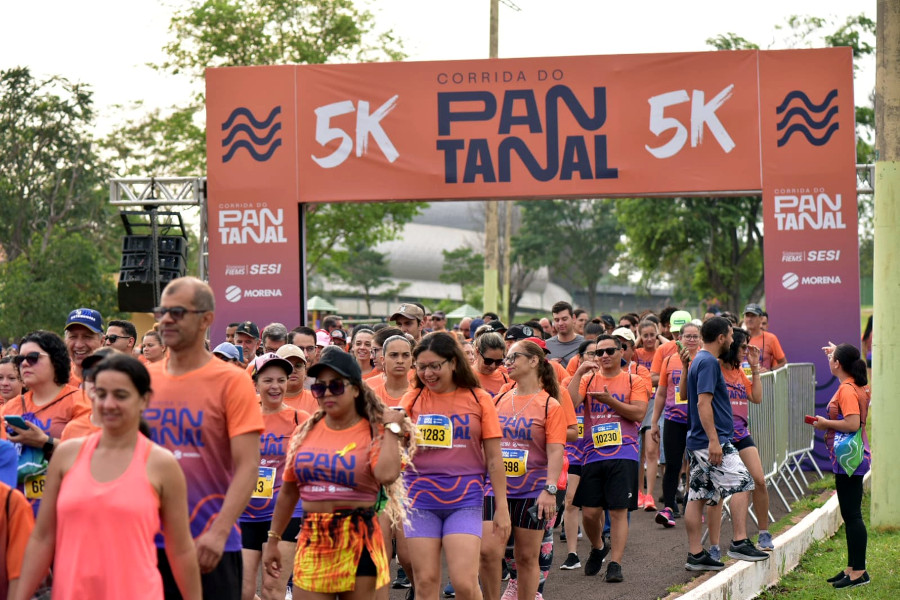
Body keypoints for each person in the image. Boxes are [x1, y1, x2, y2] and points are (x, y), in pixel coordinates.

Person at [13, 354, 202, 600]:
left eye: (120, 395)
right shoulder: (67, 454)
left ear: (144, 400)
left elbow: (181, 550)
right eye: (101, 394)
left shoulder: (161, 464)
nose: (108, 404)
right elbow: (43, 537)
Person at [145, 277, 264, 600]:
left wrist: (220, 530)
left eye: (178, 312)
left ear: (206, 320)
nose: (166, 319)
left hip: (210, 543)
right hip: (146, 541)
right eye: (162, 311)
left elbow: (248, 466)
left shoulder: (232, 381)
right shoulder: (143, 379)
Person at [262, 349, 412, 598]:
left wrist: (393, 428)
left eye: (336, 386)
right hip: (313, 540)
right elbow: (289, 491)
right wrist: (274, 539)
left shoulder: (373, 430)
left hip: (360, 539)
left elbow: (387, 474)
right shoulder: (305, 431)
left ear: (355, 389)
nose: (327, 393)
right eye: (320, 388)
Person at [401, 332, 510, 600]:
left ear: (453, 363)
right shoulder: (412, 399)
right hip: (419, 500)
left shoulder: (479, 398)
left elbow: (495, 458)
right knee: (425, 583)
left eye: (434, 365)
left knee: (463, 582)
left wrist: (502, 508)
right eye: (422, 366)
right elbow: (395, 448)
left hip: (465, 500)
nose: (428, 373)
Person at [479, 340, 565, 600]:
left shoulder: (551, 405)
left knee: (526, 557)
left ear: (534, 361)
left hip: (532, 491)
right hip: (495, 488)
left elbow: (555, 451)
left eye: (514, 357)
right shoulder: (500, 399)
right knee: (487, 553)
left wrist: (550, 490)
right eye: (508, 358)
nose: (508, 363)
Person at [683, 317, 767, 571]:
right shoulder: (708, 362)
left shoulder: (698, 358)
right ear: (721, 337)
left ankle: (696, 554)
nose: (732, 340)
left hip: (699, 440)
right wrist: (714, 441)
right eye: (730, 335)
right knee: (745, 482)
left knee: (697, 496)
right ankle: (740, 541)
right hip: (712, 440)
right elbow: (702, 403)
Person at [567, 335, 649, 582]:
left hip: (624, 452)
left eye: (609, 351)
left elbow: (638, 412)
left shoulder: (634, 380)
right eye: (598, 353)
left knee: (618, 511)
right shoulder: (589, 379)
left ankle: (615, 563)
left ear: (621, 352)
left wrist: (610, 401)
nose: (603, 356)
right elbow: (569, 403)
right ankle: (598, 546)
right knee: (590, 513)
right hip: (592, 453)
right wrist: (579, 371)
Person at [240, 354, 309, 600]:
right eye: (268, 380)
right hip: (245, 513)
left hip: (285, 514)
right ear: (255, 383)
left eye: (281, 380)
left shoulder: (299, 419)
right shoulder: (240, 415)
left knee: (273, 589)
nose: (276, 386)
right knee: (242, 591)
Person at [2, 331, 89, 515]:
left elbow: (91, 453)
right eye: (20, 360)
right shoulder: (11, 407)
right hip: (17, 510)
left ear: (56, 360)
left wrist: (45, 442)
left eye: (33, 357)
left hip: (66, 507)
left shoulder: (80, 401)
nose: (24, 363)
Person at [706, 328, 772, 559]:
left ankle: (763, 532)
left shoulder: (738, 371)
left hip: (741, 433)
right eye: (743, 347)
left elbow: (756, 397)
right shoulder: (714, 367)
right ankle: (714, 546)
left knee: (759, 480)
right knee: (716, 492)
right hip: (720, 436)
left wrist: (754, 368)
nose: (746, 350)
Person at [813, 342, 871, 589]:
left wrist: (826, 423)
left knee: (853, 515)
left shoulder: (847, 389)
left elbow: (851, 423)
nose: (829, 361)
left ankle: (859, 571)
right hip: (851, 456)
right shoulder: (853, 383)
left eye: (832, 358)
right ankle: (852, 567)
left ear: (838, 364)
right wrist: (838, 352)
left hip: (850, 457)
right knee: (849, 514)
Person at [650, 321, 701, 527]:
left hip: (697, 421)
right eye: (687, 336)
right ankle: (669, 507)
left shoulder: (705, 360)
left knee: (696, 465)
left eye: (694, 336)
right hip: (673, 419)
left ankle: (693, 504)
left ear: (700, 340)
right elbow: (661, 392)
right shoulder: (669, 360)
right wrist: (654, 422)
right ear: (678, 339)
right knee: (672, 465)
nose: (690, 340)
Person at [63, 308, 104, 386]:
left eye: (87, 337)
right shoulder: (55, 381)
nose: (79, 345)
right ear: (65, 340)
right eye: (73, 336)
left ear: (102, 341)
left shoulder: (115, 380)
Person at [368, 335, 414, 406]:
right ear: (383, 360)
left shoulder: (419, 395)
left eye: (405, 355)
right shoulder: (372, 397)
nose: (400, 361)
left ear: (411, 360)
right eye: (394, 355)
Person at [743, 304, 786, 371]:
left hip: (763, 380)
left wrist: (769, 371)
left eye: (753, 316)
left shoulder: (771, 338)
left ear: (761, 319)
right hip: (742, 380)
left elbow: (783, 363)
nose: (749, 319)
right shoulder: (738, 337)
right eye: (747, 316)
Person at [276, 345, 316, 415]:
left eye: (298, 365)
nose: (293, 371)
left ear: (305, 369)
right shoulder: (262, 401)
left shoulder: (317, 400)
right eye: (287, 366)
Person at [545, 302, 584, 366]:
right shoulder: (546, 346)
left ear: (573, 318)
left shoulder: (585, 344)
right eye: (557, 320)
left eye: (564, 319)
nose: (560, 323)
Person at [474, 332, 509, 397]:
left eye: (498, 362)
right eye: (488, 361)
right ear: (477, 352)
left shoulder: (506, 380)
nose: (493, 366)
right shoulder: (464, 377)